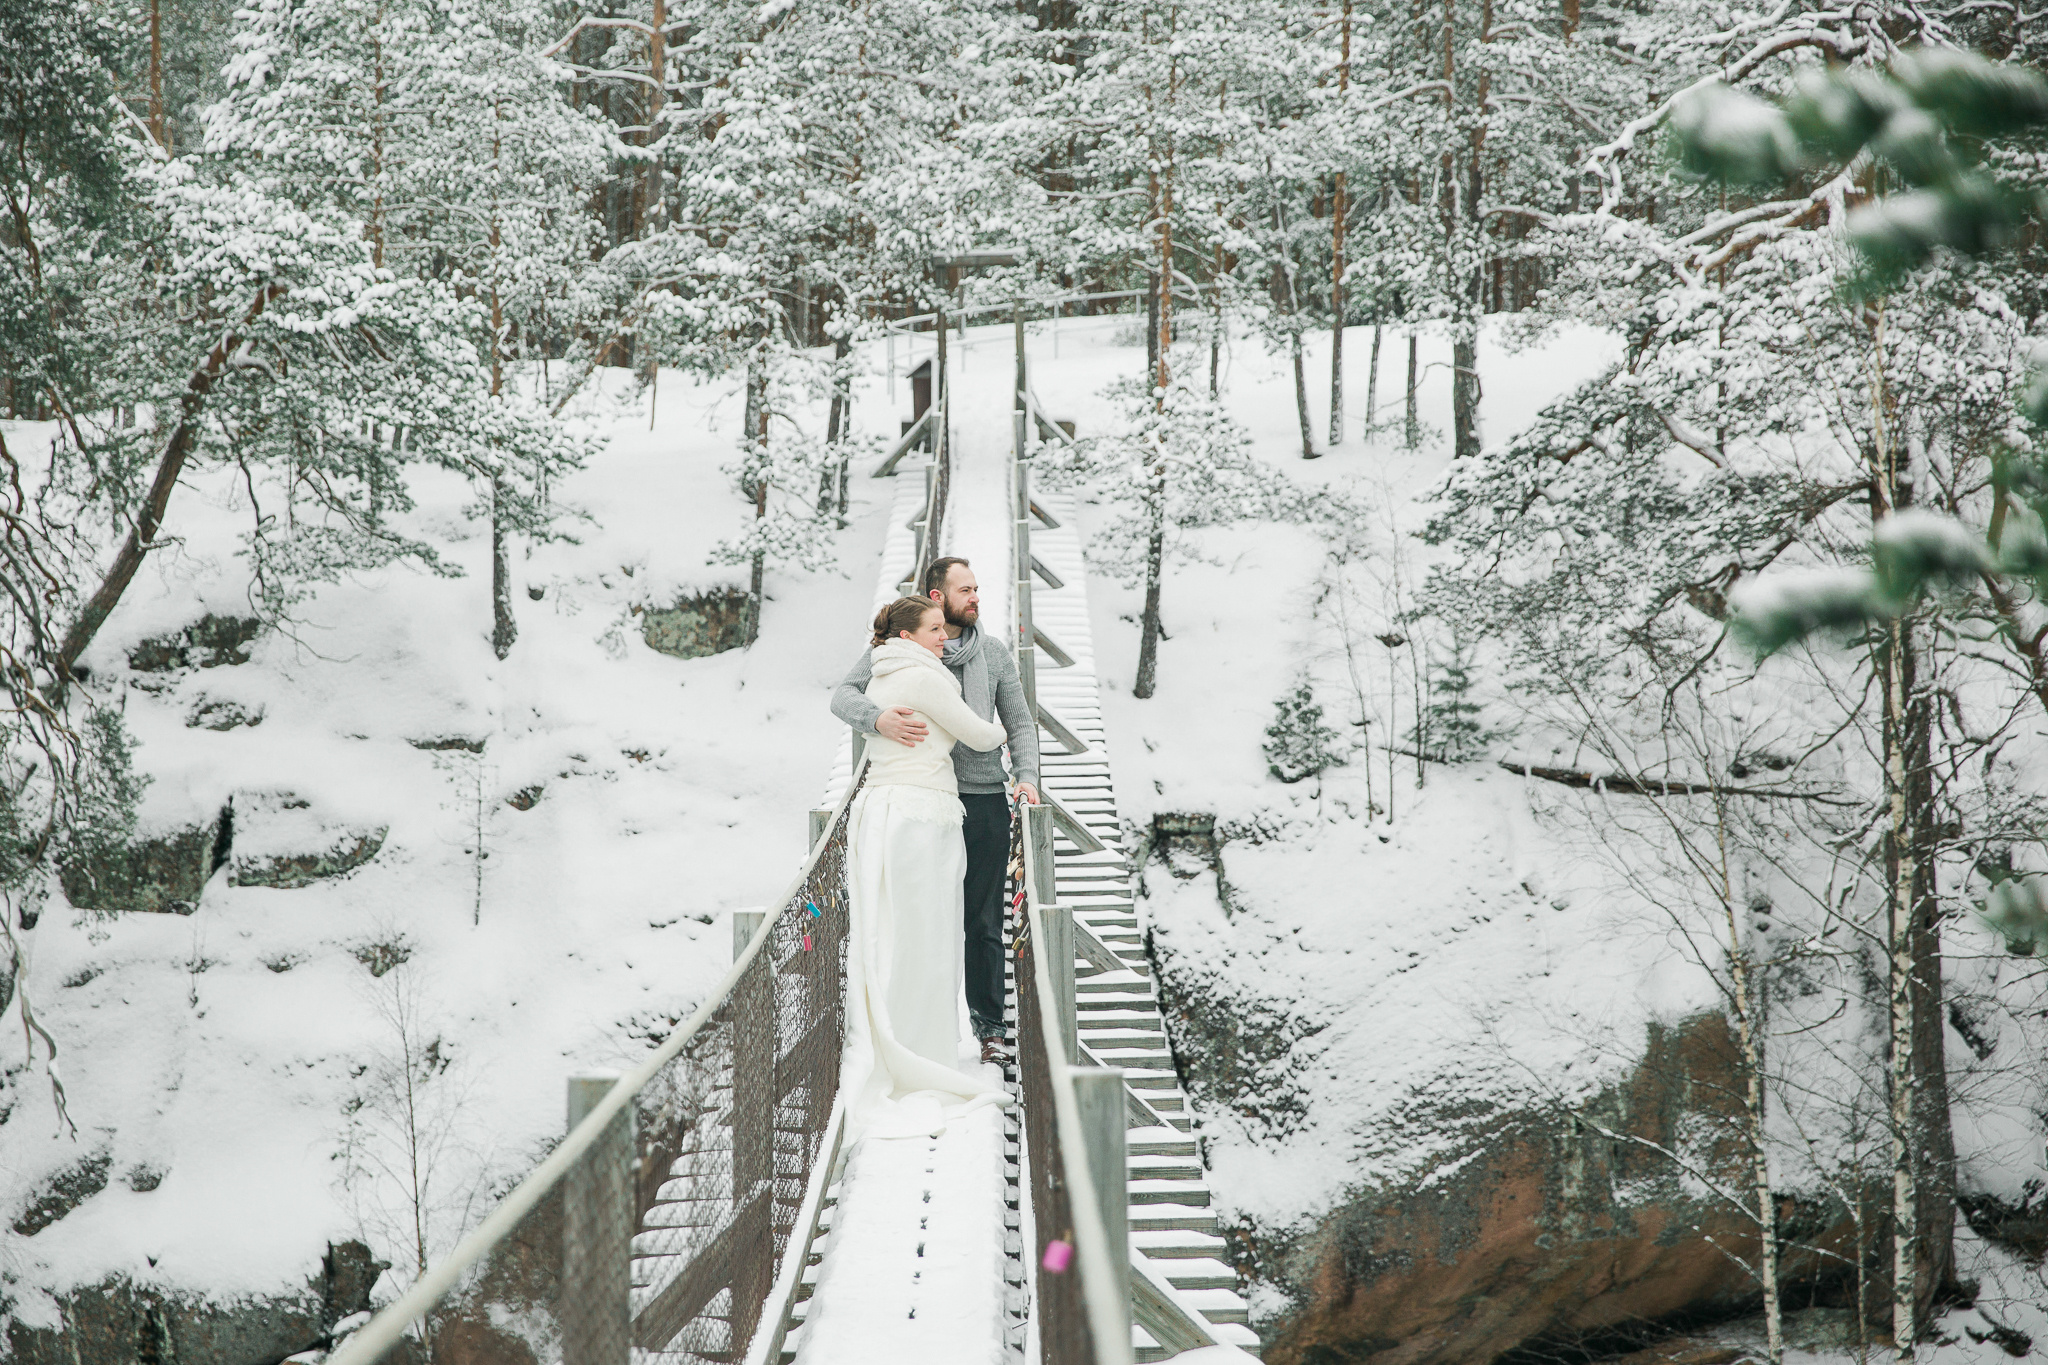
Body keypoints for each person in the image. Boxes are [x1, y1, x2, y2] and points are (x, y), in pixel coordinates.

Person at [831, 557, 1041, 1065]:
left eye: (977, 588)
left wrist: (1028, 777)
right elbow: (843, 696)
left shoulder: (993, 653)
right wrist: (877, 719)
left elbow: (1019, 723)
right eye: (965, 590)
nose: (975, 597)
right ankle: (912, 1027)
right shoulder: (898, 648)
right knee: (919, 918)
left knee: (983, 920)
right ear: (935, 597)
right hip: (922, 799)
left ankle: (990, 1029)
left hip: (983, 798)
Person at [840, 596, 1013, 1140]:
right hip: (920, 816)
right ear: (908, 636)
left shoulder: (883, 671)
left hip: (882, 810)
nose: (945, 637)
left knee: (890, 935)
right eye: (936, 629)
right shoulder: (924, 677)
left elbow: (847, 697)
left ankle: (896, 1042)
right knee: (927, 938)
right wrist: (1006, 723)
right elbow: (980, 735)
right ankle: (920, 1054)